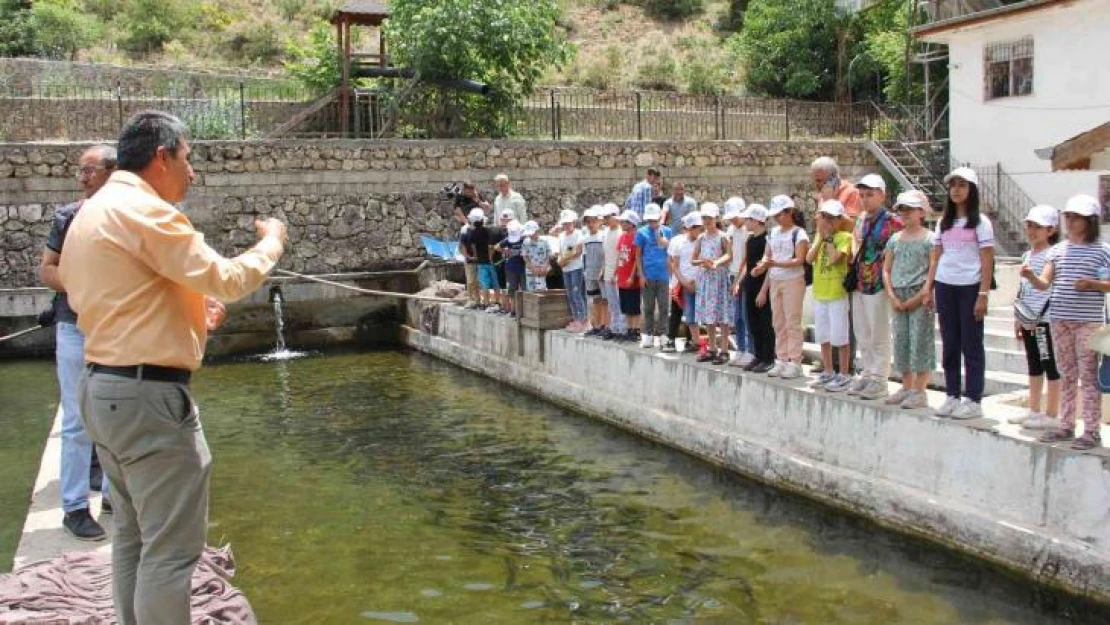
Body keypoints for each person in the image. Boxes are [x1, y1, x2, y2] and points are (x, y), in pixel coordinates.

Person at [59, 110, 287, 625]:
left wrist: (185, 318)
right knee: (171, 552)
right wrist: (271, 240)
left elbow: (93, 296)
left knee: (134, 538)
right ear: (161, 157)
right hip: (148, 400)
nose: (193, 171)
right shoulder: (146, 211)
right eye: (188, 158)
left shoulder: (92, 213)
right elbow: (226, 278)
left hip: (103, 389)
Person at [39, 144, 117, 541]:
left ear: (112, 172)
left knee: (110, 415)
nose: (83, 178)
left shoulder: (127, 218)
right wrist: (83, 282)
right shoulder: (68, 217)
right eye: (81, 171)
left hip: (113, 329)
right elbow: (47, 269)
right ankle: (73, 506)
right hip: (74, 328)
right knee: (76, 421)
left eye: (90, 170)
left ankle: (110, 495)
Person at [1023, 194, 1109, 450]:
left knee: (1087, 375)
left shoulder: (1103, 251)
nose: (1071, 221)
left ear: (1090, 221)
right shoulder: (1058, 250)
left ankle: (1091, 430)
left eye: (1077, 217)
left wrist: (1091, 284)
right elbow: (1045, 282)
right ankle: (1066, 424)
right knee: (1067, 373)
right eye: (1068, 216)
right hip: (1060, 319)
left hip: (1087, 323)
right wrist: (1031, 276)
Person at [925, 167, 995, 419]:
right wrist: (929, 288)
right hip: (946, 285)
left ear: (972, 190)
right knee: (950, 342)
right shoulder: (943, 222)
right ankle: (952, 394)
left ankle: (973, 398)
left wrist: (983, 294)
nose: (956, 189)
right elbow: (936, 256)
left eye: (962, 185)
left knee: (971, 343)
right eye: (952, 185)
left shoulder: (981, 223)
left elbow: (987, 260)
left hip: (970, 286)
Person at [847, 174, 901, 400]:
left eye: (870, 194)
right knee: (862, 330)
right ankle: (868, 372)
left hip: (878, 281)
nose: (865, 199)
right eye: (862, 195)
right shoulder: (860, 219)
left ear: (882, 195)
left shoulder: (892, 221)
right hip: (860, 280)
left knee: (879, 331)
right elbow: (855, 241)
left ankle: (880, 378)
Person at [1008, 205, 1061, 430]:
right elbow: (1024, 289)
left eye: (1037, 227)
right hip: (1029, 318)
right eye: (1029, 225)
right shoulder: (1027, 255)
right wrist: (1018, 318)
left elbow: (1044, 285)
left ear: (1050, 230)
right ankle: (1034, 409)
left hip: (1045, 320)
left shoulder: (1053, 255)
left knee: (1049, 364)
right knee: (1033, 364)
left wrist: (1031, 276)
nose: (1032, 231)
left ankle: (1051, 413)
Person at [882, 191, 936, 409]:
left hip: (918, 294)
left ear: (921, 212)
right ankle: (906, 385)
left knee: (920, 340)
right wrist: (893, 296)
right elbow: (886, 269)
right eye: (902, 209)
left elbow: (933, 267)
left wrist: (922, 294)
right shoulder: (895, 239)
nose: (905, 214)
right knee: (902, 340)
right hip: (898, 293)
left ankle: (920, 389)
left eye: (909, 209)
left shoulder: (930, 239)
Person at [757, 195, 809, 379]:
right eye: (775, 215)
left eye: (780, 214)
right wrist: (761, 266)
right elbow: (767, 255)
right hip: (776, 279)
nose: (778, 218)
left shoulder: (799, 233)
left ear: (790, 212)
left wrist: (775, 263)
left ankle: (795, 361)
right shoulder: (772, 233)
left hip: (793, 280)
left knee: (792, 321)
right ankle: (781, 359)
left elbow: (799, 259)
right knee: (778, 322)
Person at [807, 200, 854, 392]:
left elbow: (835, 259)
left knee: (840, 335)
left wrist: (828, 239)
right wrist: (821, 238)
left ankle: (844, 373)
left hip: (837, 293)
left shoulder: (844, 237)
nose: (827, 221)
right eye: (824, 217)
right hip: (820, 293)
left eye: (831, 218)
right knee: (824, 335)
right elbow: (809, 258)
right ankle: (828, 370)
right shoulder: (819, 236)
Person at [693, 203, 733, 365]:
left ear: (716, 218)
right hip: (706, 279)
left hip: (719, 279)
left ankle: (724, 349)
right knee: (709, 316)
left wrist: (716, 263)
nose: (707, 221)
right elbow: (693, 259)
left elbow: (729, 255)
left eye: (710, 218)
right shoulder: (701, 238)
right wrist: (702, 261)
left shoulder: (723, 236)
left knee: (722, 314)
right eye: (704, 218)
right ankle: (712, 348)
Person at [742, 205, 775, 373]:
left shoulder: (766, 240)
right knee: (753, 322)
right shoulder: (750, 239)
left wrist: (763, 291)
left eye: (748, 219)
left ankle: (769, 357)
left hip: (763, 287)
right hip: (750, 285)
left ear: (756, 221)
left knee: (765, 323)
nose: (745, 222)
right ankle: (759, 355)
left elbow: (768, 267)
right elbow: (747, 264)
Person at [664, 211, 703, 353]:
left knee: (693, 314)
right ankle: (671, 339)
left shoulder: (703, 241)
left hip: (698, 282)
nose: (698, 230)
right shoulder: (677, 241)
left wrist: (696, 281)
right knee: (677, 312)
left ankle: (691, 340)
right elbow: (672, 262)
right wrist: (680, 281)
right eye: (695, 227)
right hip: (680, 282)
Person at [635, 203, 673, 348]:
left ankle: (663, 334)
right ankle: (648, 335)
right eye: (650, 220)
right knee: (648, 306)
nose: (652, 223)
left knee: (664, 306)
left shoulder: (667, 231)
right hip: (648, 275)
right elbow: (638, 255)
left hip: (663, 274)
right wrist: (641, 275)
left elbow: (672, 251)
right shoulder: (641, 232)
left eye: (655, 220)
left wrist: (666, 242)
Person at [724, 197, 753, 366]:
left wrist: (737, 281)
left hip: (744, 276)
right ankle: (741, 349)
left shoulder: (747, 231)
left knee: (745, 314)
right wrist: (714, 262)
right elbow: (730, 254)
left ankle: (750, 350)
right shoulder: (731, 230)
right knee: (737, 316)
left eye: (735, 217)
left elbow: (746, 259)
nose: (733, 220)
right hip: (733, 275)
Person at [464, 208, 502, 312]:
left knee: (484, 284)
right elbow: (490, 246)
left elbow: (474, 247)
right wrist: (490, 258)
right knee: (495, 283)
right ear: (482, 220)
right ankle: (497, 302)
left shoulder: (472, 233)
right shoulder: (490, 230)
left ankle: (486, 303)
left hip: (481, 262)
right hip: (491, 261)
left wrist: (476, 257)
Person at [616, 210, 644, 342]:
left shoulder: (636, 237)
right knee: (626, 305)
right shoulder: (622, 237)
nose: (621, 224)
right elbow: (619, 256)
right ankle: (629, 329)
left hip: (631, 277)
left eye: (624, 222)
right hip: (622, 276)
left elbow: (636, 259)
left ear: (632, 224)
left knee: (634, 305)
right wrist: (617, 273)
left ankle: (636, 330)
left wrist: (632, 276)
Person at [557, 209, 587, 332]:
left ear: (573, 223)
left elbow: (578, 251)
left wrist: (565, 259)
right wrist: (560, 261)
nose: (567, 226)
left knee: (577, 293)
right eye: (564, 224)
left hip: (576, 267)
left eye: (568, 223)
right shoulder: (561, 236)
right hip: (566, 269)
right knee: (569, 294)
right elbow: (560, 252)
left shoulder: (579, 234)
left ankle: (583, 319)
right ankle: (576, 318)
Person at [601, 203, 627, 340]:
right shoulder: (607, 233)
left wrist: (616, 273)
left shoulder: (620, 233)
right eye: (604, 217)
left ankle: (622, 329)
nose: (605, 220)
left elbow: (620, 255)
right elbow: (606, 254)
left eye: (607, 217)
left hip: (618, 274)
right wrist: (603, 270)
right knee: (612, 303)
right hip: (607, 272)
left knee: (620, 301)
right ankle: (614, 327)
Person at [582, 207, 609, 336]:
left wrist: (603, 271)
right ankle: (596, 325)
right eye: (587, 222)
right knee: (595, 300)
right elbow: (585, 257)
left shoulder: (604, 236)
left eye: (593, 221)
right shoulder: (585, 238)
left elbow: (606, 256)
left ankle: (605, 325)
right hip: (590, 274)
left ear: (599, 221)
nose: (590, 224)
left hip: (602, 274)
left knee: (604, 300)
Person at [811, 156, 861, 220]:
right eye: (815, 180)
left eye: (819, 181)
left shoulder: (852, 192)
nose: (816, 184)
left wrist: (829, 202)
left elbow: (852, 225)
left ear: (833, 179)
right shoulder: (823, 194)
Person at [497, 220, 526, 317]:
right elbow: (497, 247)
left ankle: (523, 311)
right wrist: (505, 251)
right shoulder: (507, 240)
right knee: (513, 289)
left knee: (524, 289)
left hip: (523, 267)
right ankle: (513, 311)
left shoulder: (524, 239)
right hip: (511, 268)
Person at [459, 209, 483, 308]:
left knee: (479, 281)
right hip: (470, 260)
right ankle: (472, 299)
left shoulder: (481, 229)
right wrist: (467, 257)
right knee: (471, 281)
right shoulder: (465, 230)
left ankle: (479, 300)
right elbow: (461, 245)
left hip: (480, 260)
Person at [521, 220, 551, 292]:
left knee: (540, 289)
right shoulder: (525, 242)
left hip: (541, 269)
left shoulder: (544, 241)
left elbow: (549, 254)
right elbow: (524, 256)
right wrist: (532, 267)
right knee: (530, 289)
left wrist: (545, 265)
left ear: (537, 231)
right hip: (530, 269)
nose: (530, 235)